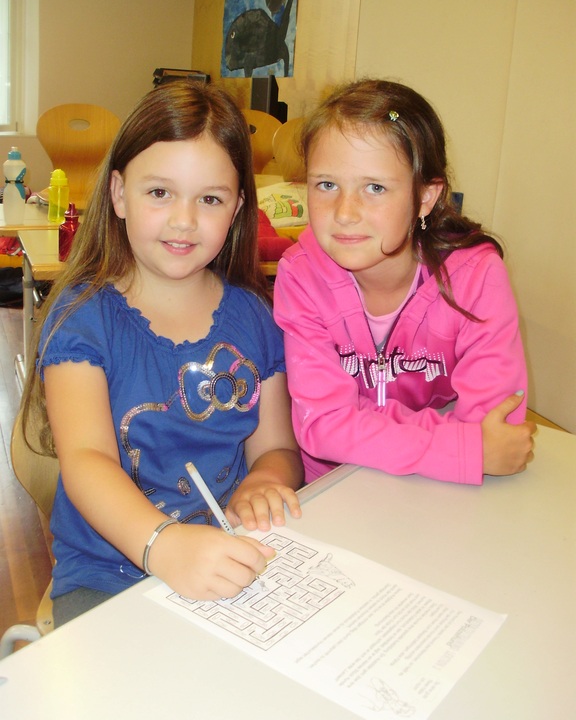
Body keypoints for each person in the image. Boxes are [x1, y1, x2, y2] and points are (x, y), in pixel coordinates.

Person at [20, 82, 303, 626]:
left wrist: (265, 479)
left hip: (228, 561)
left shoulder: (255, 317)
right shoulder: (84, 318)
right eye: (159, 193)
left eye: (210, 199)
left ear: (237, 209)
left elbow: (277, 447)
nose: (184, 220)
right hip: (108, 577)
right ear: (119, 194)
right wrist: (164, 546)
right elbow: (87, 461)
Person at [273, 79, 536, 486]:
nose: (344, 212)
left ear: (426, 197)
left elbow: (497, 430)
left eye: (375, 187)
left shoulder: (475, 276)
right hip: (334, 489)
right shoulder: (301, 274)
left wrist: (357, 426)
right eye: (327, 184)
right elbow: (322, 426)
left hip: (437, 490)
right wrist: (460, 446)